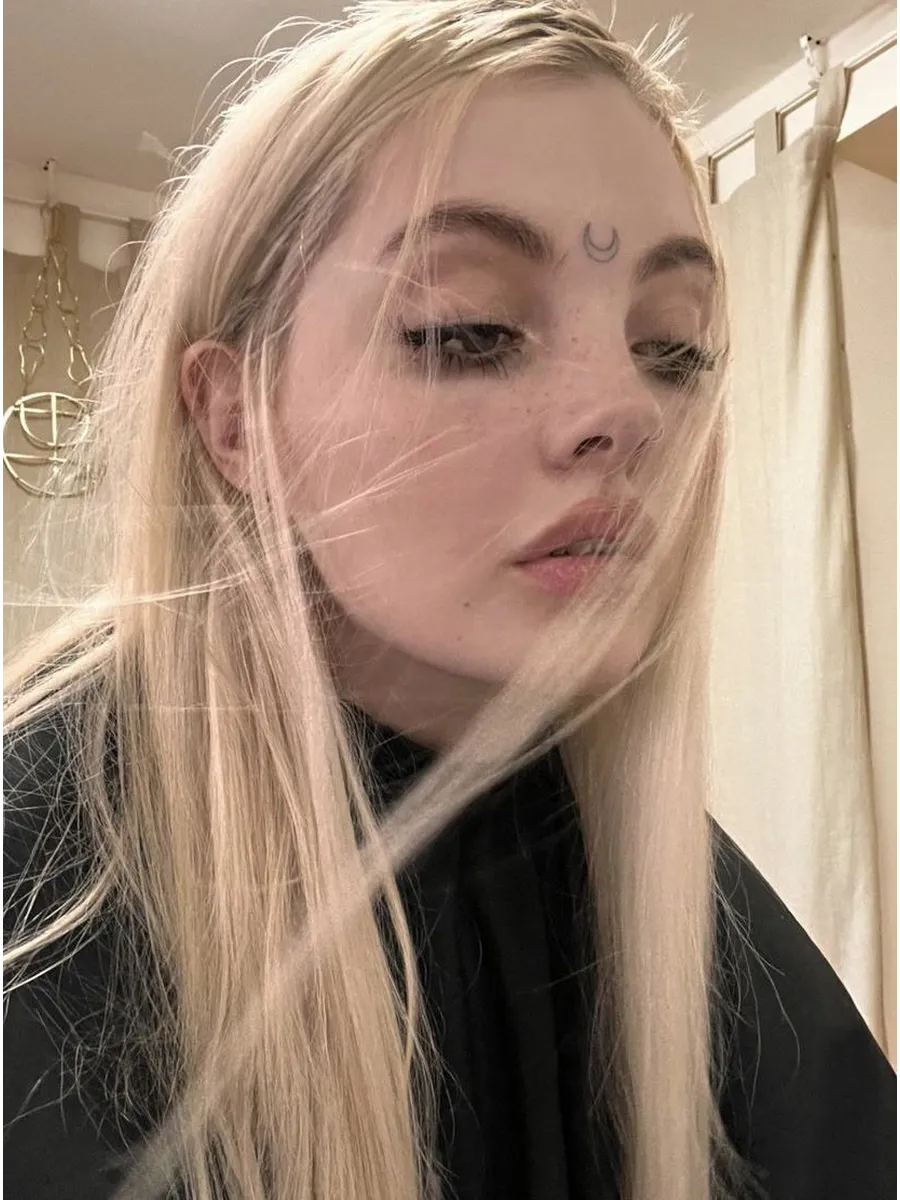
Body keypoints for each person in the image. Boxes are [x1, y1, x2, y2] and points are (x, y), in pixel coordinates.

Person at [2, 2, 897, 1198]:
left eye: (672, 347)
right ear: (232, 420)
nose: (626, 410)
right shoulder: (41, 882)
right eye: (468, 329)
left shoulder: (658, 879)